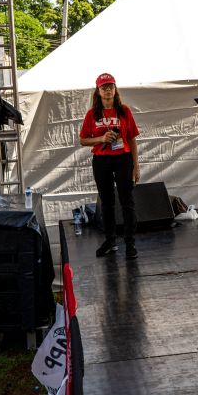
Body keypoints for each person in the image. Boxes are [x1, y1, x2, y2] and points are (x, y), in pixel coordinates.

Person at [79, 73, 140, 260]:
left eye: (111, 86)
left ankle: (130, 243)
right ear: (98, 91)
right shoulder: (92, 114)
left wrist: (136, 166)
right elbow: (83, 139)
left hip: (123, 158)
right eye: (104, 87)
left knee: (127, 201)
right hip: (102, 160)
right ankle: (110, 240)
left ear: (115, 89)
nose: (108, 90)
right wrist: (101, 138)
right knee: (107, 202)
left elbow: (132, 138)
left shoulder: (124, 111)